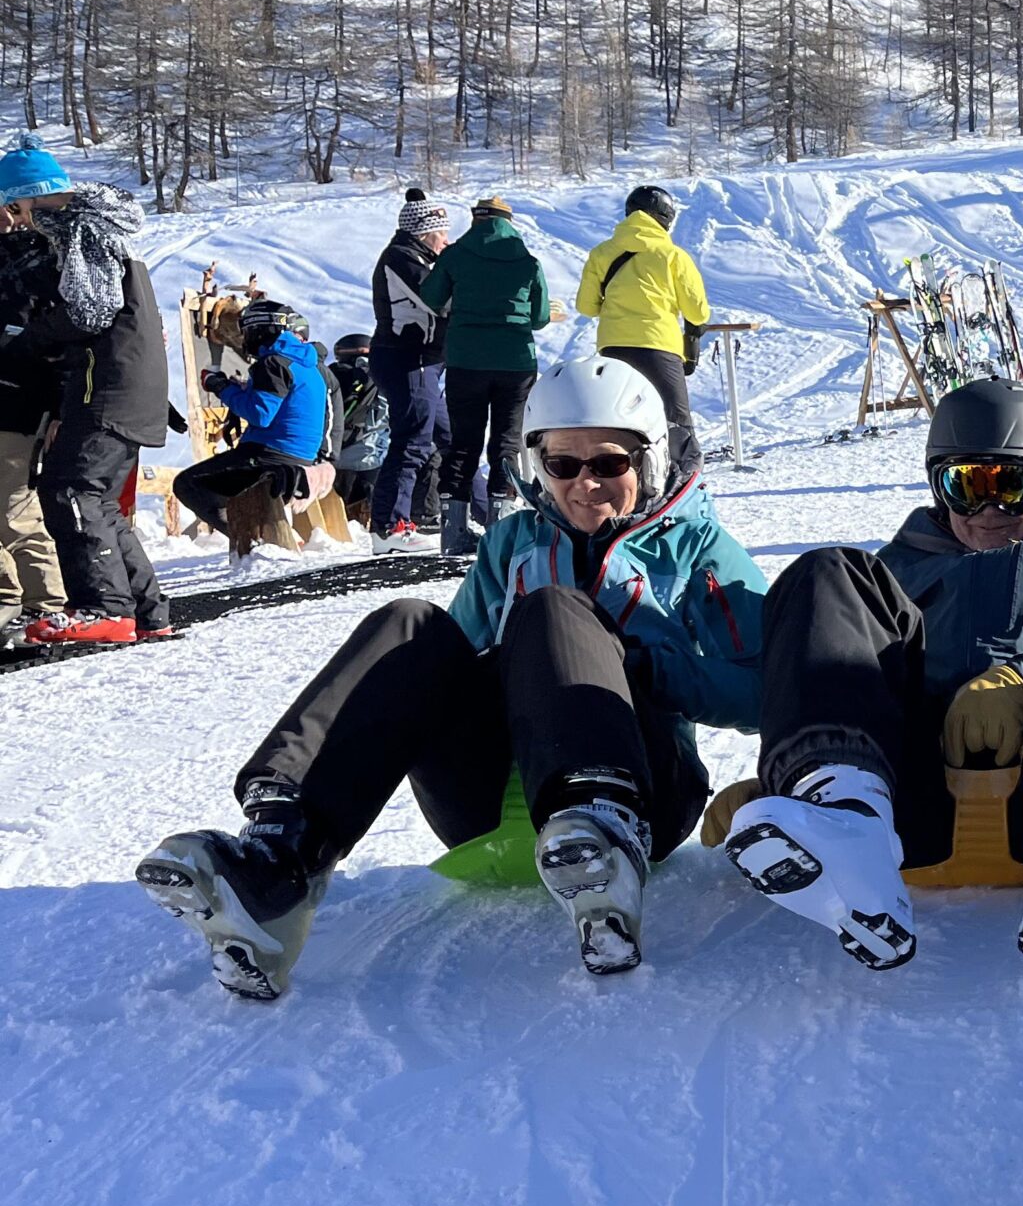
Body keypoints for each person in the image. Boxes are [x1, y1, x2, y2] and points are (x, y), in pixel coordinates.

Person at [135, 358, 766, 999]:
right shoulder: (510, 542)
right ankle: (279, 861)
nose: (585, 483)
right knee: (411, 623)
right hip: (491, 798)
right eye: (562, 464)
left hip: (647, 790)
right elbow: (446, 665)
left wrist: (646, 668)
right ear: (537, 465)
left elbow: (765, 686)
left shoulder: (693, 547)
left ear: (649, 460)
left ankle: (603, 834)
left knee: (553, 608)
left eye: (608, 463)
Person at [710, 378, 1023, 970]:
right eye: (964, 486)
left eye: (1012, 486)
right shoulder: (899, 567)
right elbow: (838, 674)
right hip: (911, 813)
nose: (988, 511)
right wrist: (791, 776)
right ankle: (839, 811)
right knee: (826, 572)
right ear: (936, 485)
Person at [0, 132, 170, 645]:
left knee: (69, 490)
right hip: (129, 381)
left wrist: (27, 338)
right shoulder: (100, 225)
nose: (19, 222)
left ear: (28, 199)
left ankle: (104, 608)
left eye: (17, 210)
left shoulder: (80, 228)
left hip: (108, 383)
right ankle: (147, 612)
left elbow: (90, 311)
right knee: (98, 499)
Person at [422, 196, 552, 554]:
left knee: (463, 443)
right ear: (509, 223)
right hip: (516, 362)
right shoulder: (528, 261)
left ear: (476, 220)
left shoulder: (456, 255)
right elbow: (540, 317)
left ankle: (453, 533)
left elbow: (431, 297)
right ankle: (501, 531)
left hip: (466, 360)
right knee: (506, 442)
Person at [578, 184, 708, 481]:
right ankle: (684, 478)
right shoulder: (672, 255)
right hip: (659, 346)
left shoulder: (601, 253)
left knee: (618, 418)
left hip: (613, 348)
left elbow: (586, 306)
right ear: (665, 217)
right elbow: (697, 311)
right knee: (675, 419)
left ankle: (620, 476)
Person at [171, 299, 329, 532]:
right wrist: (243, 391)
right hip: (299, 458)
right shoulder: (307, 366)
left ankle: (249, 538)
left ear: (259, 329)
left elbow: (260, 414)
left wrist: (222, 388)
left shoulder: (273, 363)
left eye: (245, 331)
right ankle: (256, 533)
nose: (244, 338)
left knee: (188, 484)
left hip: (271, 455)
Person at [370, 188, 451, 554]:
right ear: (423, 233)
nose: (446, 240)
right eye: (441, 233)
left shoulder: (421, 257)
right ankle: (389, 526)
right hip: (408, 359)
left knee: (452, 439)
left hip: (425, 362)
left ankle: (483, 516)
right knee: (413, 441)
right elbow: (439, 302)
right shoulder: (402, 257)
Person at [0, 227, 62, 641]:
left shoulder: (33, 261)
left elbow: (52, 343)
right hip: (16, 399)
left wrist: (58, 409)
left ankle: (45, 605)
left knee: (13, 509)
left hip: (16, 405)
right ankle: (9, 599)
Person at [326, 333, 390, 520]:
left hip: (331, 457)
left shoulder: (330, 375)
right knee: (360, 519)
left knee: (333, 518)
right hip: (368, 459)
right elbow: (385, 417)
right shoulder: (380, 376)